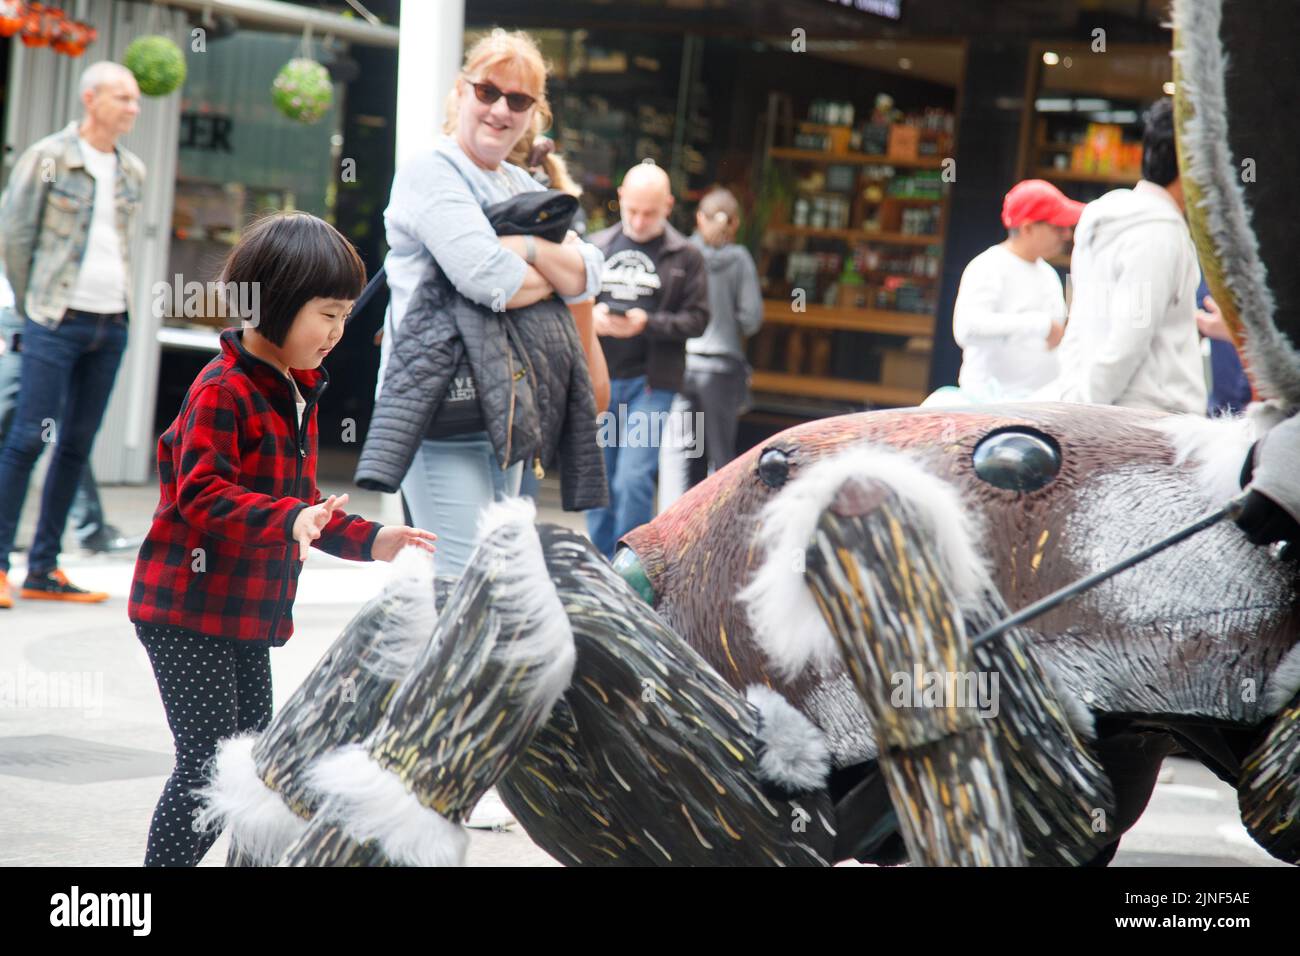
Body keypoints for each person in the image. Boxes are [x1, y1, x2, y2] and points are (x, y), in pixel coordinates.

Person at [128, 212, 437, 866]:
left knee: (256, 764)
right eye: (326, 314)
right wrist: (287, 521)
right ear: (273, 304)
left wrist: (376, 540)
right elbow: (203, 494)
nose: (338, 332)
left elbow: (301, 509)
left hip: (243, 612)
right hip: (186, 610)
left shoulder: (294, 390)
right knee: (210, 767)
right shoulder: (223, 389)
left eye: (345, 314)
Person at [373, 29, 604, 575]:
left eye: (518, 99)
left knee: (498, 583)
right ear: (460, 92)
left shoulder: (516, 182)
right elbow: (488, 279)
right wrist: (548, 266)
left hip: (507, 414)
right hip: (438, 411)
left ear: (533, 114)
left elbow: (590, 272)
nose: (501, 109)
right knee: (467, 585)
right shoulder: (432, 169)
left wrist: (523, 248)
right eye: (488, 91)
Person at [0, 62, 148, 609]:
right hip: (54, 321)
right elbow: (14, 236)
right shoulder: (49, 158)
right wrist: (33, 306)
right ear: (91, 99)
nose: (134, 108)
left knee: (76, 446)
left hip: (111, 323)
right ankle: (0, 564)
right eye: (123, 98)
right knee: (26, 439)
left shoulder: (133, 169)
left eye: (135, 100)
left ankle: (44, 568)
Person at [1044, 99, 1207, 414]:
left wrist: (1073, 400)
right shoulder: (1157, 234)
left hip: (1105, 414)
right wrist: (1083, 409)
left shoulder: (1105, 223)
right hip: (1147, 422)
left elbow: (1080, 322)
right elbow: (1130, 339)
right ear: (1191, 162)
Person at [586, 161, 709, 557]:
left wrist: (647, 323)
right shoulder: (596, 247)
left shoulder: (686, 255)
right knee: (599, 478)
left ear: (669, 206)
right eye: (632, 210)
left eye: (650, 213)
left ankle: (630, 567)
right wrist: (592, 318)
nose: (639, 221)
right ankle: (600, 564)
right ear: (620, 197)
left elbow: (699, 319)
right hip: (601, 377)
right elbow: (566, 305)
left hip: (652, 383)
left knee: (633, 478)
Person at [659, 186, 762, 509]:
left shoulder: (684, 253)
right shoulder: (741, 259)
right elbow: (752, 318)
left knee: (679, 454)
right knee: (721, 459)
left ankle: (671, 530)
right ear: (735, 223)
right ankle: (717, 528)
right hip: (722, 368)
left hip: (683, 364)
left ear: (699, 219)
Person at [948, 179, 1080, 402]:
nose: (1066, 234)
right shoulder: (988, 266)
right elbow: (967, 328)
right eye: (1058, 227)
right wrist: (1040, 325)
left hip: (1038, 405)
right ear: (1028, 227)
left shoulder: (1047, 273)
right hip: (989, 406)